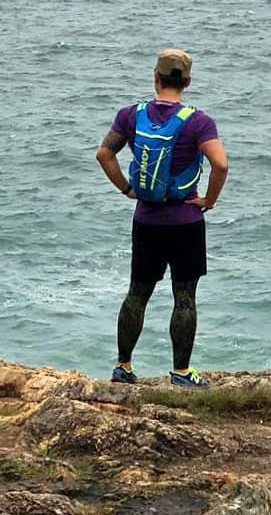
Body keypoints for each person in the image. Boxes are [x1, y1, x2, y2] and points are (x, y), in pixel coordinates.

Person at [96, 48, 229, 388]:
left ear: (155, 77)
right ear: (187, 81)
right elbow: (221, 164)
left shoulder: (131, 115)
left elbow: (104, 153)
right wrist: (209, 200)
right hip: (186, 222)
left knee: (137, 293)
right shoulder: (199, 122)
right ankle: (182, 374)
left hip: (146, 221)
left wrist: (127, 189)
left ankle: (123, 368)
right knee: (184, 296)